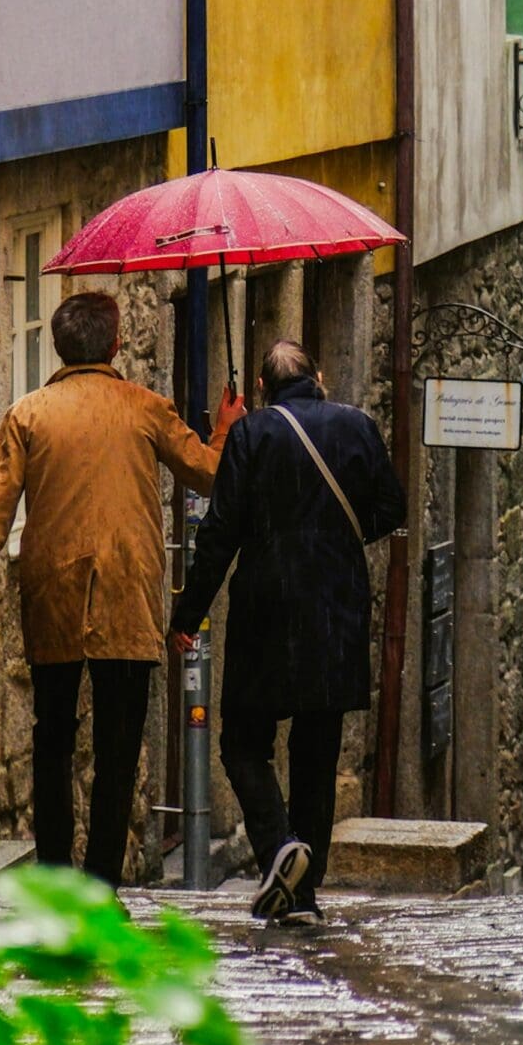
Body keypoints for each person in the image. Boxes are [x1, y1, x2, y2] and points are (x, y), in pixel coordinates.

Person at [0, 288, 244, 888]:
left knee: (52, 739)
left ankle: (55, 880)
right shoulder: (145, 407)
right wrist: (226, 431)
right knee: (118, 745)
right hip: (127, 593)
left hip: (52, 592)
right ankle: (102, 882)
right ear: (115, 343)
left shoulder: (28, 414)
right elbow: (211, 476)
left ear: (60, 346)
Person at [169, 338, 406, 926]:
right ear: (318, 376)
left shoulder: (251, 435)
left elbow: (220, 533)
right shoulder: (357, 426)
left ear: (260, 387)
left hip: (266, 609)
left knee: (243, 742)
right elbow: (391, 507)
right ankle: (304, 893)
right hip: (335, 607)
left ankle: (279, 848)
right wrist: (338, 540)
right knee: (316, 751)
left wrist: (188, 613)